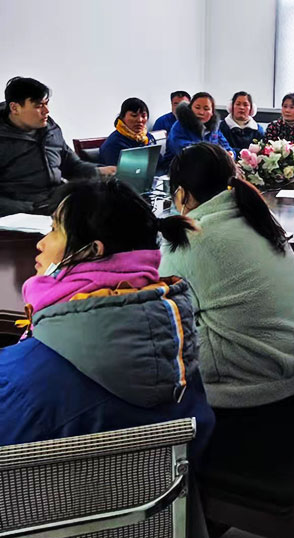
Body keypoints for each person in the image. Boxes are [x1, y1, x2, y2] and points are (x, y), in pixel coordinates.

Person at [0, 179, 214, 462]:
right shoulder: (177, 346)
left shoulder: (22, 380)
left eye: (54, 230)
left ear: (91, 250)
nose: (41, 243)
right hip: (165, 489)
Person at [159, 143, 294, 468]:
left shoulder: (193, 240)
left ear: (181, 194)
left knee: (150, 361)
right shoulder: (257, 216)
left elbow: (167, 321)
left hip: (261, 403)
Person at [0, 76, 115, 217]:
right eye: (38, 106)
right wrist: (31, 209)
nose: (46, 111)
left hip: (58, 204)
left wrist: (100, 172)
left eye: (46, 104)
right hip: (21, 216)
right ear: (15, 108)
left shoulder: (51, 130)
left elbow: (72, 166)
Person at [166, 92, 234, 159]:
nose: (201, 112)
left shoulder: (214, 128)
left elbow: (226, 146)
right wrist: (217, 155)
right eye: (197, 108)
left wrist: (230, 154)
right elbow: (186, 152)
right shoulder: (180, 126)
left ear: (212, 112)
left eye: (206, 109)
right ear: (190, 109)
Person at [99, 97, 156, 165]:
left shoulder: (149, 138)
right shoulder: (113, 144)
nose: (140, 120)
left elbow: (159, 163)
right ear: (122, 117)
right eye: (134, 116)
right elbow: (114, 170)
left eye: (143, 116)